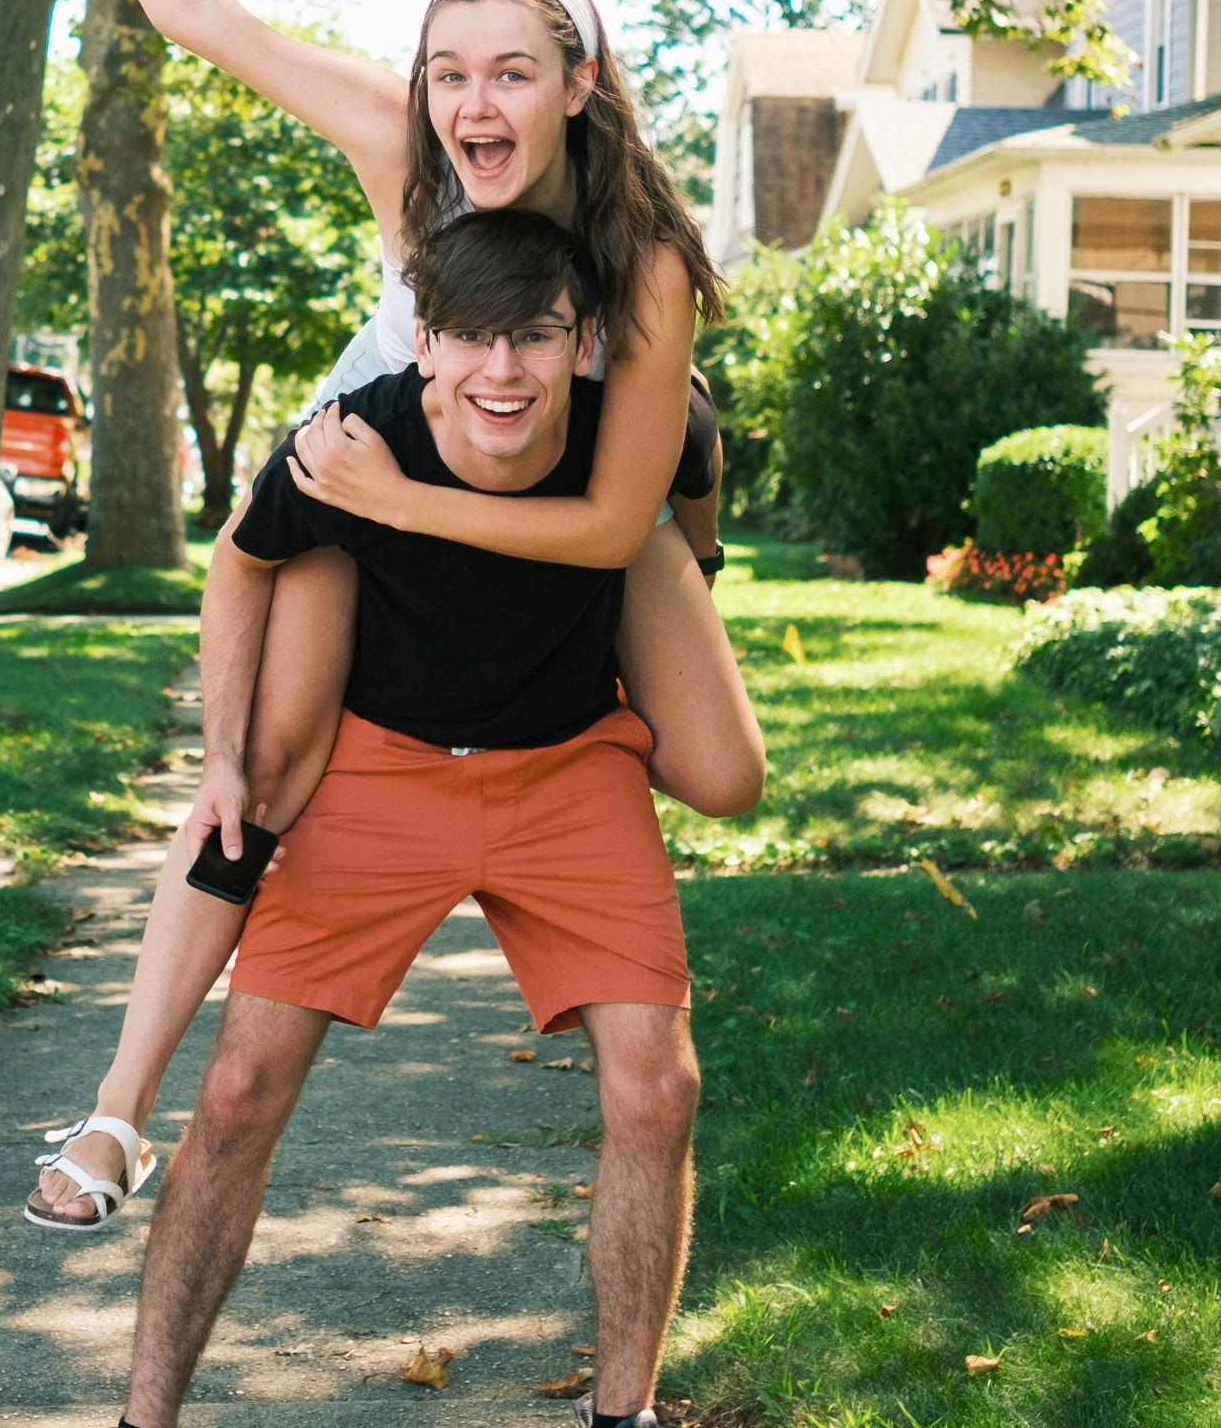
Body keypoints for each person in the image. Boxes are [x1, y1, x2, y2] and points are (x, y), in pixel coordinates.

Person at [22, 0, 765, 1228]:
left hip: (547, 493)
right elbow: (201, 10)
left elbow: (616, 518)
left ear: (578, 80)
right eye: (447, 73)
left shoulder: (639, 257)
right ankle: (115, 1114)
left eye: (510, 73)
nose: (471, 103)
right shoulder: (404, 149)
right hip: (371, 467)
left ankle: (578, 723)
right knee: (269, 766)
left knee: (721, 760)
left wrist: (681, 524)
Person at [111, 211, 747, 1428]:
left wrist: (696, 566)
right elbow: (239, 558)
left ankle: (623, 1414)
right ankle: (144, 1419)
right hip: (381, 771)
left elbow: (697, 455)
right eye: (470, 337)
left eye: (535, 336)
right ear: (424, 340)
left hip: (569, 767)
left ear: (583, 341)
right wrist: (224, 755)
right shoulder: (354, 440)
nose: (502, 369)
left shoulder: (630, 429)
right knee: (238, 1088)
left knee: (658, 1087)